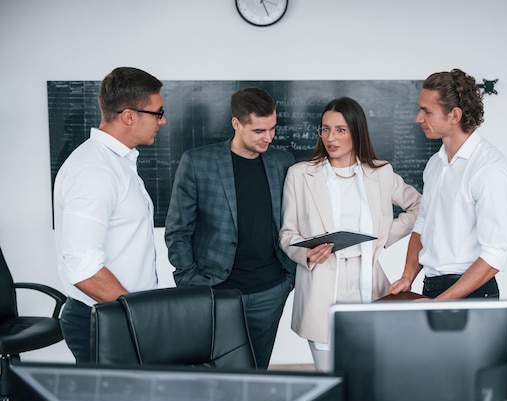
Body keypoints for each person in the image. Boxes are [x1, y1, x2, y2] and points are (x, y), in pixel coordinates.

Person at [279, 96, 421, 372]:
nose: (331, 137)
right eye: (325, 129)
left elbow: (419, 207)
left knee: (370, 375)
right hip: (321, 287)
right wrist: (305, 253)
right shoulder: (299, 175)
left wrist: (382, 239)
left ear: (356, 132)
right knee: (331, 378)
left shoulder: (380, 173)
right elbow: (287, 233)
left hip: (368, 285)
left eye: (340, 130)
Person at [164, 87, 295, 369]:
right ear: (236, 124)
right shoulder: (198, 162)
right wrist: (190, 281)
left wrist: (290, 278)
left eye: (272, 128)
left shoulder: (282, 162)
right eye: (259, 130)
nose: (268, 137)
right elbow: (178, 230)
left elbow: (294, 221)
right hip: (215, 291)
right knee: (214, 373)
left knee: (257, 370)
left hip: (271, 290)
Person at [54, 67, 165, 362]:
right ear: (129, 115)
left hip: (120, 313)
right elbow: (83, 269)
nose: (163, 120)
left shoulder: (118, 163)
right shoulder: (94, 171)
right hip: (106, 319)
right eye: (158, 112)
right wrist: (139, 315)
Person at [389, 69, 507, 300]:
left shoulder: (489, 169)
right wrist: (408, 277)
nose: (418, 118)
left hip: (472, 293)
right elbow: (422, 225)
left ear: (454, 116)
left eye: (427, 112)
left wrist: (440, 303)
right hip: (433, 288)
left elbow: (495, 255)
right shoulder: (435, 164)